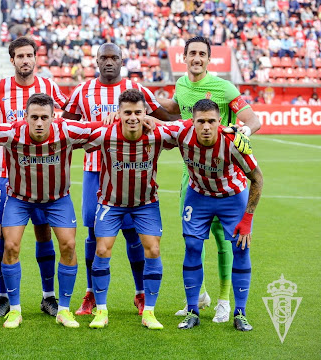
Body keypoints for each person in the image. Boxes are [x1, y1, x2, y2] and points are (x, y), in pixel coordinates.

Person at [0, 93, 97, 328]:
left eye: (44, 117)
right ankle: (14, 310)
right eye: (34, 117)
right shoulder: (12, 132)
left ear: (54, 117)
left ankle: (64, 310)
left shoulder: (68, 130)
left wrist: (125, 119)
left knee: (69, 246)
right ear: (26, 116)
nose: (39, 123)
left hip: (57, 200)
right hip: (19, 199)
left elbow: (99, 128)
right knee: (10, 246)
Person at [63, 43, 178, 317]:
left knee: (133, 233)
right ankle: (91, 293)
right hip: (95, 172)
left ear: (123, 60)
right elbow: (65, 127)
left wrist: (149, 119)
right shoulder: (83, 91)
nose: (109, 62)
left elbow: (169, 119)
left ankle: (140, 294)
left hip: (133, 173)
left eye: (115, 57)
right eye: (104, 58)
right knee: (93, 232)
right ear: (97, 61)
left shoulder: (138, 92)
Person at [161, 36, 261, 323]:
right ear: (184, 57)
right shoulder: (181, 84)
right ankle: (199, 296)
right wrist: (151, 101)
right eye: (191, 53)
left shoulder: (224, 87)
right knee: (192, 239)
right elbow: (174, 111)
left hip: (224, 171)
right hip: (190, 174)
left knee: (223, 239)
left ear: (208, 59)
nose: (196, 58)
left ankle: (224, 300)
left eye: (202, 54)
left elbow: (253, 119)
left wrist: (244, 133)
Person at [0, 36, 69, 318]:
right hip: (7, 175)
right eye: (19, 56)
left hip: (44, 173)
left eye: (29, 55)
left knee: (44, 232)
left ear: (36, 57)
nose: (25, 60)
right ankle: (3, 297)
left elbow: (65, 115)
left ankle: (48, 296)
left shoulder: (49, 87)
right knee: (4, 236)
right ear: (12, 60)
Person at [82, 89, 178, 330]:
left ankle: (150, 312)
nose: (133, 117)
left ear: (145, 112)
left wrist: (157, 121)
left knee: (153, 250)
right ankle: (102, 311)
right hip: (110, 204)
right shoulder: (105, 134)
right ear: (118, 113)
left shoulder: (158, 135)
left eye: (138, 112)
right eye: (127, 112)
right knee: (102, 250)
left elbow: (186, 129)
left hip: (145, 204)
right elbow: (73, 134)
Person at [171, 99, 263, 331]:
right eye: (200, 121)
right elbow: (152, 123)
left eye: (211, 121)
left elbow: (258, 179)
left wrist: (248, 218)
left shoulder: (234, 141)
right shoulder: (180, 133)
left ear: (219, 121)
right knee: (192, 246)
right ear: (192, 122)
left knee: (240, 248)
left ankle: (240, 313)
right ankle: (193, 310)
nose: (206, 127)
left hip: (232, 197)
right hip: (198, 195)